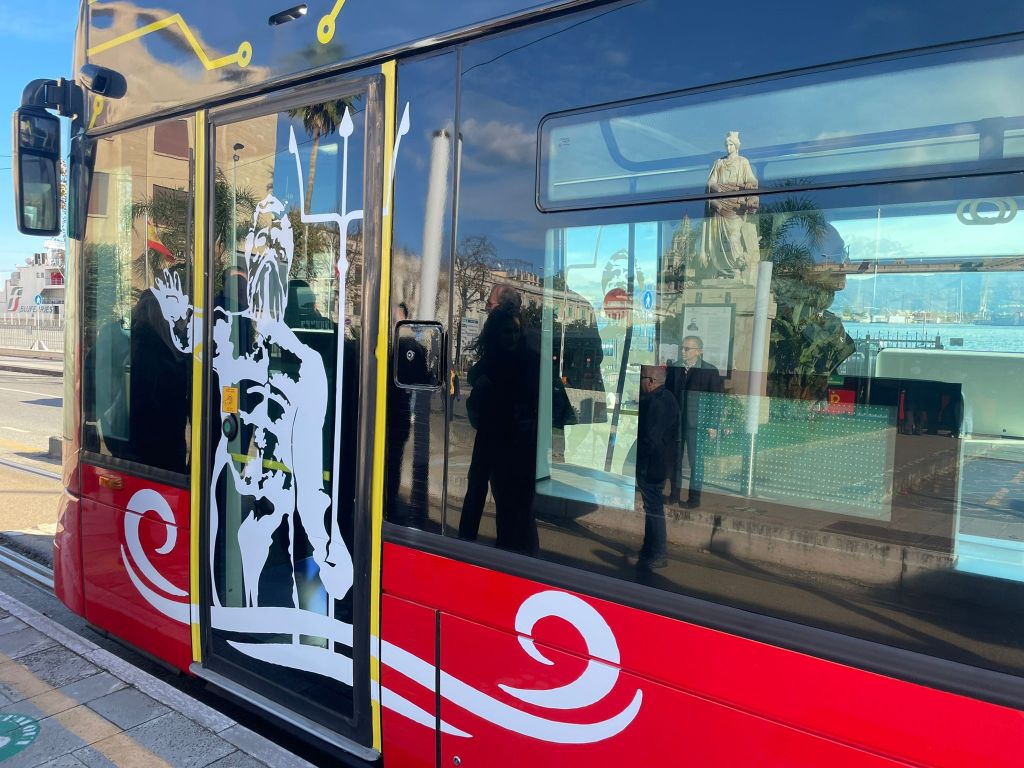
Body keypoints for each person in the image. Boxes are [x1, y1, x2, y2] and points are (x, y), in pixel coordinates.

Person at [460, 303, 540, 555]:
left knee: (511, 507)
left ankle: (509, 554)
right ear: (496, 333)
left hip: (516, 443)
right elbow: (476, 376)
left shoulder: (528, 361)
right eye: (507, 331)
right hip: (491, 438)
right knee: (477, 494)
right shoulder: (492, 362)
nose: (512, 337)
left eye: (516, 331)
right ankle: (464, 549)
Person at [667, 335, 723, 508]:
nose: (683, 351)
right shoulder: (675, 368)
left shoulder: (709, 371)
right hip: (677, 423)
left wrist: (712, 425)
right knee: (675, 461)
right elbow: (668, 395)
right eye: (682, 348)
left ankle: (694, 499)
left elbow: (716, 400)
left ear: (699, 351)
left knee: (696, 462)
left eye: (687, 348)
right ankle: (674, 495)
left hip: (697, 425)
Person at [636, 365, 679, 570]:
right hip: (661, 463)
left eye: (641, 378)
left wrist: (639, 461)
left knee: (653, 508)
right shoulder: (667, 397)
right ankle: (649, 548)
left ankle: (658, 552)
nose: (640, 382)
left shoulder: (657, 403)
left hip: (653, 464)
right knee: (652, 507)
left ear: (651, 381)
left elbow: (650, 438)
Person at [701, 131, 760, 280]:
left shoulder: (743, 162)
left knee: (734, 238)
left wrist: (748, 185)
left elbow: (752, 181)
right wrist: (717, 187)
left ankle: (737, 268)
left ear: (736, 146)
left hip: (736, 207)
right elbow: (710, 182)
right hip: (720, 205)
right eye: (727, 145)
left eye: (731, 144)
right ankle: (723, 271)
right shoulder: (719, 163)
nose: (728, 147)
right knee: (719, 241)